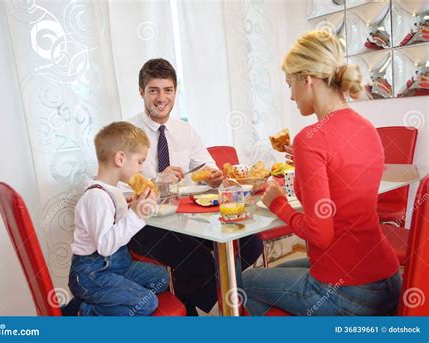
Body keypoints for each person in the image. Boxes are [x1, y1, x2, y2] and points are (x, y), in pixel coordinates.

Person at [242, 31, 401, 316]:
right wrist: (304, 162)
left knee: (241, 284)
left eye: (290, 84)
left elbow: (320, 234)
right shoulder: (366, 128)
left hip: (349, 291)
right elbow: (341, 192)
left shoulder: (310, 139)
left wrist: (277, 203)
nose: (290, 95)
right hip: (388, 279)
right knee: (279, 272)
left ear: (307, 80)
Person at [128, 58, 263, 315]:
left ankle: (207, 301)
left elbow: (206, 166)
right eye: (153, 90)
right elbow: (116, 191)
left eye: (167, 90)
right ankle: (221, 312)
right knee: (198, 261)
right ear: (141, 92)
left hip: (181, 216)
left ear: (175, 92)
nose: (161, 97)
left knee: (250, 243)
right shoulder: (126, 132)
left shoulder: (185, 130)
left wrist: (212, 176)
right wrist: (158, 180)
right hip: (144, 223)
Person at [65, 122, 169, 316]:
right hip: (93, 273)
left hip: (118, 266)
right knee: (147, 303)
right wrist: (136, 214)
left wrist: (128, 207)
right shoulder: (96, 197)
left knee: (161, 278)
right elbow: (105, 246)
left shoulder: (112, 192)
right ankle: (81, 311)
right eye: (140, 161)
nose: (141, 168)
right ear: (120, 158)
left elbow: (112, 223)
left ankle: (107, 297)